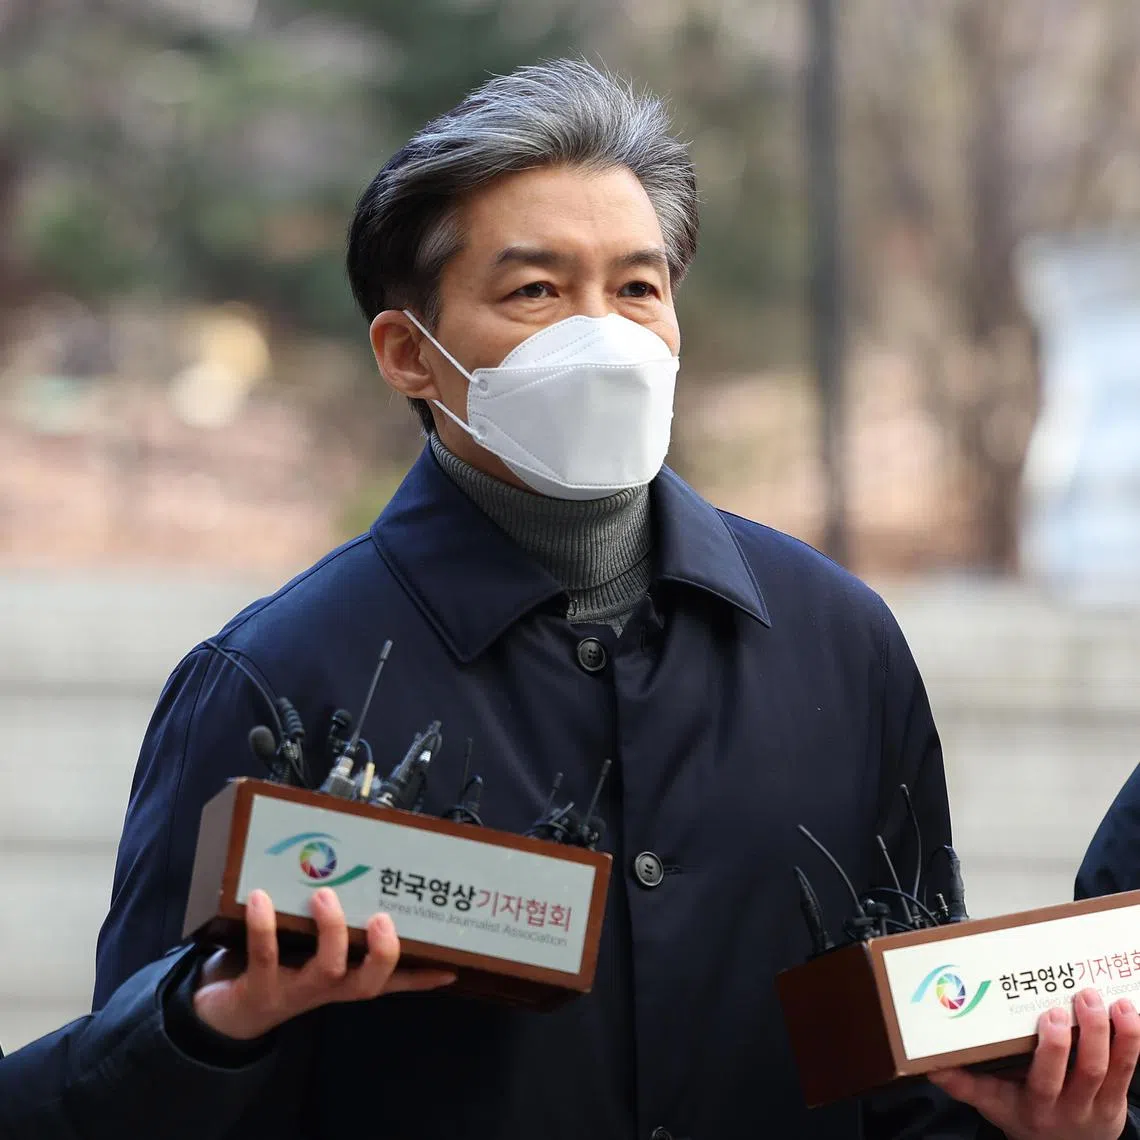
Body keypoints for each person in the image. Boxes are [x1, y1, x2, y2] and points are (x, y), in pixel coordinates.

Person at [66, 59, 1137, 1140]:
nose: (604, 336)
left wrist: (1054, 1131)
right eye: (536, 291)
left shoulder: (837, 645)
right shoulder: (277, 680)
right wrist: (210, 1029)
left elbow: (906, 1085)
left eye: (636, 289)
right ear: (409, 353)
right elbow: (128, 1089)